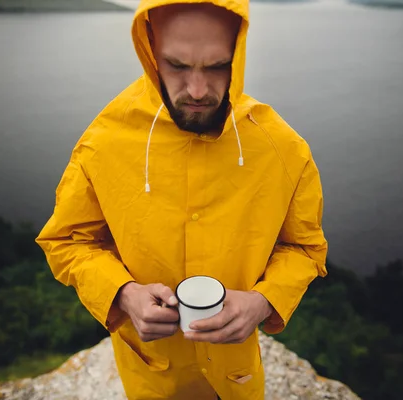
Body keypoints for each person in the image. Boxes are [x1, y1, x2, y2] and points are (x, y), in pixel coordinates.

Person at [35, 0, 328, 398]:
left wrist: (263, 301)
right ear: (149, 50)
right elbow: (68, 241)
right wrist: (123, 293)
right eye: (176, 65)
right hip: (151, 378)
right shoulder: (103, 142)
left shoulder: (282, 148)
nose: (197, 91)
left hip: (236, 378)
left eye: (216, 67)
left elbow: (304, 248)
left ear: (238, 55)